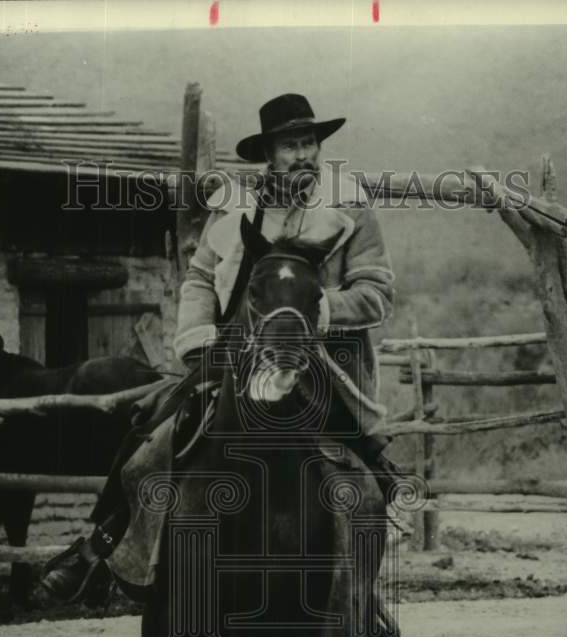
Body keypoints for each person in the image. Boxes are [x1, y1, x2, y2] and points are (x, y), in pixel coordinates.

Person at [41, 93, 406, 607]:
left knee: (366, 477)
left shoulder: (351, 208)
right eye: (289, 145)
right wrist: (196, 336)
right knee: (152, 425)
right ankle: (100, 551)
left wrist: (318, 312)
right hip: (235, 354)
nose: (302, 154)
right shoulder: (238, 211)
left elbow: (376, 295)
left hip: (323, 361)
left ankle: (360, 605)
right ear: (269, 155)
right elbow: (199, 278)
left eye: (309, 143)